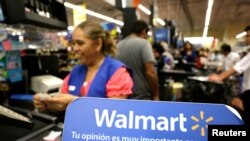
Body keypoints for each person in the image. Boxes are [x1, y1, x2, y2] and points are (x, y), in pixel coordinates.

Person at [33, 21, 133, 112]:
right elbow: (61, 105)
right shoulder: (76, 71)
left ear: (98, 44)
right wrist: (48, 103)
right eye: (73, 43)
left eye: (80, 43)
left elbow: (115, 111)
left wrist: (76, 101)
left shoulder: (116, 71)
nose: (75, 48)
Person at [208, 25, 250, 125]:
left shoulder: (235, 56)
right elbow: (222, 66)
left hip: (237, 82)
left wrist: (220, 77)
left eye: (248, 36)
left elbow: (238, 67)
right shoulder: (224, 56)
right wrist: (219, 73)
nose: (246, 38)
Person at [116, 20, 159, 100]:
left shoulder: (118, 45)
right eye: (147, 34)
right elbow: (150, 73)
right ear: (143, 31)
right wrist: (156, 94)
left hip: (122, 95)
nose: (146, 37)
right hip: (141, 96)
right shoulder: (144, 44)